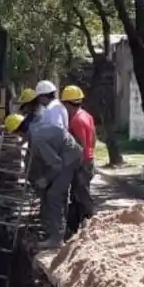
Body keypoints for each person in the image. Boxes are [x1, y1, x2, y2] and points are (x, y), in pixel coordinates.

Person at [4, 111, 83, 250]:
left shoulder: (37, 139)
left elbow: (56, 164)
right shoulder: (34, 129)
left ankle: (56, 239)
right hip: (63, 154)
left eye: (16, 135)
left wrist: (45, 180)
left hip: (69, 158)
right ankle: (57, 229)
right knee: (54, 194)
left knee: (54, 196)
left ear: (19, 131)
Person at [61, 85, 96, 238]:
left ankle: (93, 224)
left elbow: (80, 145)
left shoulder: (76, 120)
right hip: (88, 159)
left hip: (81, 162)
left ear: (68, 104)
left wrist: (75, 163)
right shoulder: (87, 115)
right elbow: (93, 139)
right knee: (76, 195)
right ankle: (74, 229)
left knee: (82, 196)